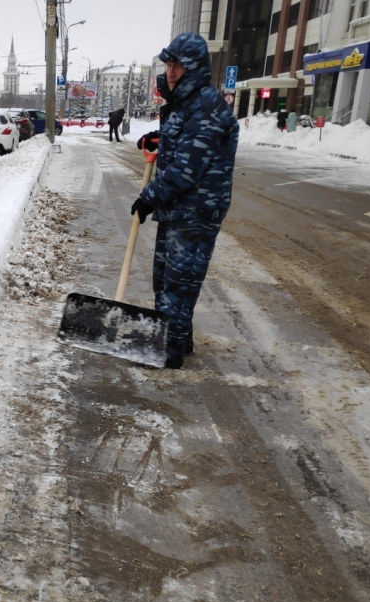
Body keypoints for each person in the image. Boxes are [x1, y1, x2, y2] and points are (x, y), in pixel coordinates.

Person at [130, 33, 239, 369]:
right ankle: (179, 340)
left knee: (178, 284)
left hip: (195, 211)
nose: (172, 71)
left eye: (178, 65)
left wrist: (147, 198)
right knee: (166, 279)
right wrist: (159, 138)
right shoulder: (188, 103)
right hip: (178, 209)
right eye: (169, 64)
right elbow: (183, 143)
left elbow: (186, 170)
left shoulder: (207, 106)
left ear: (194, 67)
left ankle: (167, 352)